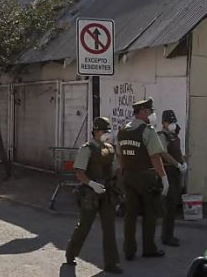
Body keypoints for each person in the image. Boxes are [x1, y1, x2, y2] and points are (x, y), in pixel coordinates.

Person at [65, 117, 122, 274]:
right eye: (105, 132)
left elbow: (116, 170)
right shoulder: (87, 149)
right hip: (90, 194)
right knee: (84, 225)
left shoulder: (110, 149)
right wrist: (91, 184)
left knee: (109, 228)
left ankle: (111, 263)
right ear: (96, 132)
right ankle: (70, 253)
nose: (107, 135)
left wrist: (118, 190)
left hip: (107, 193)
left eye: (108, 132)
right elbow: (79, 173)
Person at [117, 97, 168, 261]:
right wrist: (164, 177)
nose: (152, 115)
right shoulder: (148, 131)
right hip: (146, 178)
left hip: (128, 176)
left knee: (130, 215)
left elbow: (120, 155)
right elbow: (155, 157)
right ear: (144, 112)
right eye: (150, 112)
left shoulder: (123, 130)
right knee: (149, 214)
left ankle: (129, 250)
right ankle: (149, 248)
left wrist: (123, 173)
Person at [156, 110, 187, 247]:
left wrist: (183, 162)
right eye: (169, 122)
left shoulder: (174, 135)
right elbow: (162, 153)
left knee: (173, 204)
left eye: (173, 122)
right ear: (163, 123)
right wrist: (177, 164)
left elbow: (178, 152)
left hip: (176, 172)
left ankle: (170, 234)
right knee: (169, 205)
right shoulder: (162, 136)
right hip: (168, 171)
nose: (172, 124)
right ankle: (166, 236)